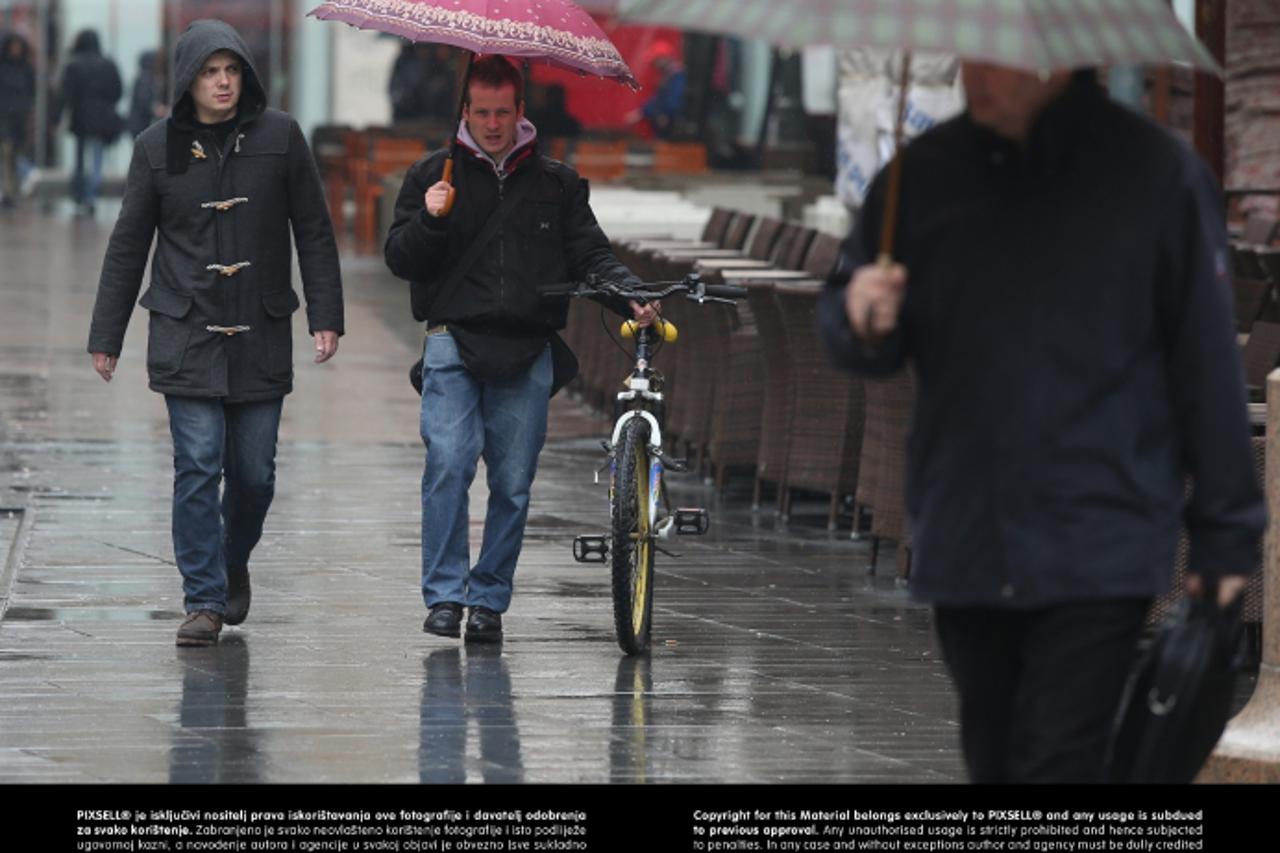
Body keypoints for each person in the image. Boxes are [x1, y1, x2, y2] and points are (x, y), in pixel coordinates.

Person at [817, 64, 1265, 784]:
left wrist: (1226, 532)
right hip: (966, 527)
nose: (978, 74)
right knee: (994, 759)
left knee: (1059, 761)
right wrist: (859, 314)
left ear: (1059, 60)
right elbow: (851, 324)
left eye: (1000, 58)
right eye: (972, 51)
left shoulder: (1158, 176)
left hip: (1100, 528)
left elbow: (1205, 364)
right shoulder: (924, 174)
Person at [87, 19, 344, 647]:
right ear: (188, 80)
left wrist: (326, 315)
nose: (222, 82)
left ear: (245, 76)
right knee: (197, 464)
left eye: (231, 70)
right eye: (210, 72)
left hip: (259, 326)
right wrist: (107, 335)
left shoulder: (281, 137)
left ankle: (232, 561)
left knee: (254, 474)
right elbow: (128, 245)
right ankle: (203, 599)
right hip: (185, 326)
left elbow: (312, 227)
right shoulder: (157, 146)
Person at [384, 55, 656, 644]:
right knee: (448, 465)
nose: (491, 124)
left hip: (526, 346)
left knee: (512, 482)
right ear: (465, 111)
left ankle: (488, 600)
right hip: (452, 340)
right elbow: (400, 260)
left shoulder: (555, 183)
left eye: (501, 113)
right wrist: (432, 220)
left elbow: (590, 255)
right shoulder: (435, 174)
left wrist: (631, 296)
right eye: (480, 112)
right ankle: (446, 596)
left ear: (520, 112)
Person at [60, 29, 123, 216]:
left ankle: (80, 196)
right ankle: (91, 196)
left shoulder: (74, 65)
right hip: (102, 118)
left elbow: (66, 94)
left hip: (80, 117)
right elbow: (117, 91)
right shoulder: (107, 64)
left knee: (80, 160)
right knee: (96, 160)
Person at [0, 32, 35, 209]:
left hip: (19, 119)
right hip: (4, 117)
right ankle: (7, 192)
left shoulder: (26, 69)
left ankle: (13, 191)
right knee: (6, 153)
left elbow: (32, 93)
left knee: (15, 156)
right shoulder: (3, 68)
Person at [128, 49, 169, 137]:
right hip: (140, 122)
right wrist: (156, 109)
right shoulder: (146, 78)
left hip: (137, 122)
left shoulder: (142, 76)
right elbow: (143, 100)